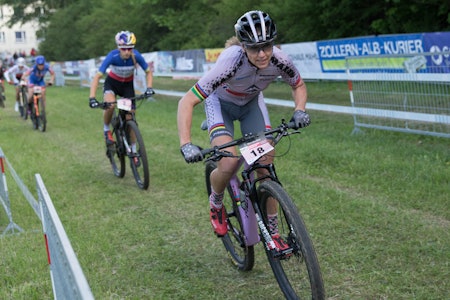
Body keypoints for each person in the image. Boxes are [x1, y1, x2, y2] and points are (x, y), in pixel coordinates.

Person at [177, 10, 311, 249]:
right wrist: (186, 144)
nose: (262, 54)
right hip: (221, 105)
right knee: (229, 163)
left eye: (267, 46)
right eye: (254, 48)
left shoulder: (280, 59)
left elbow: (298, 85)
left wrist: (299, 109)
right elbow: (186, 101)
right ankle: (216, 204)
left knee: (265, 165)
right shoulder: (230, 62)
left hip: (251, 104)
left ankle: (273, 232)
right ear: (243, 47)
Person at [88, 30, 155, 146]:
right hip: (112, 85)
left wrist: (149, 88)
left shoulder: (136, 56)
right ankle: (106, 129)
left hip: (127, 87)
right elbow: (97, 77)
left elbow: (148, 72)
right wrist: (92, 98)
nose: (127, 52)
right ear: (119, 47)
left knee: (130, 117)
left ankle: (133, 150)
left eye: (130, 48)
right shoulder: (112, 56)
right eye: (124, 48)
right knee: (110, 105)